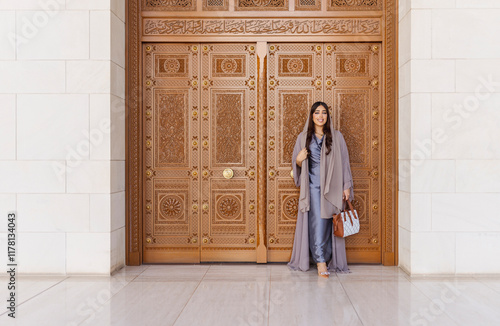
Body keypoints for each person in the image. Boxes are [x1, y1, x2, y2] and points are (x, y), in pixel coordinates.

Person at [287, 101, 354, 278]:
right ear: (312, 116)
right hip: (313, 188)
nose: (321, 116)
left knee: (327, 224)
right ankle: (320, 262)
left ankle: (328, 258)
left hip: (332, 187)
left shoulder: (337, 137)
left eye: (324, 113)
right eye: (317, 113)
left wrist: (346, 185)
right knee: (317, 224)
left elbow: (345, 162)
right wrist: (299, 161)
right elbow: (296, 163)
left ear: (327, 116)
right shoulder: (303, 138)